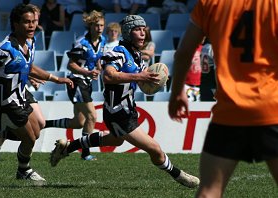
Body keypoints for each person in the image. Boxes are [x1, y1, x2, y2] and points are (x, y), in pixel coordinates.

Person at [49, 15, 200, 188]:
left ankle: (67, 148)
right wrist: (140, 76)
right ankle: (179, 176)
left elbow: (139, 83)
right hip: (118, 113)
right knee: (155, 149)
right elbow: (108, 76)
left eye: (144, 29)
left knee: (115, 140)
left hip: (128, 109)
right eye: (137, 30)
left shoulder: (136, 54)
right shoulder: (117, 52)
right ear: (128, 33)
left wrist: (150, 83)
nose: (142, 33)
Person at [168, 0, 278, 196]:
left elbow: (184, 52)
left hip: (229, 110)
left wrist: (177, 92)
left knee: (210, 190)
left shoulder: (210, 3)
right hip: (272, 108)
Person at [0, 4, 73, 182]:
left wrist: (54, 78)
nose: (32, 26)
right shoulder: (3, 49)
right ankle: (23, 170)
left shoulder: (30, 41)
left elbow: (27, 66)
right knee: (29, 139)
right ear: (15, 24)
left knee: (38, 127)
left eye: (34, 22)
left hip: (21, 93)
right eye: (27, 22)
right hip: (6, 100)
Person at [44, 10, 106, 161]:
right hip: (77, 82)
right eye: (97, 25)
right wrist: (87, 72)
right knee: (92, 116)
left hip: (86, 82)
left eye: (102, 25)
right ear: (90, 26)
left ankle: (45, 123)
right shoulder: (82, 43)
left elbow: (98, 59)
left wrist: (99, 68)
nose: (99, 28)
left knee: (78, 123)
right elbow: (71, 65)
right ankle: (86, 153)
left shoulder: (102, 40)